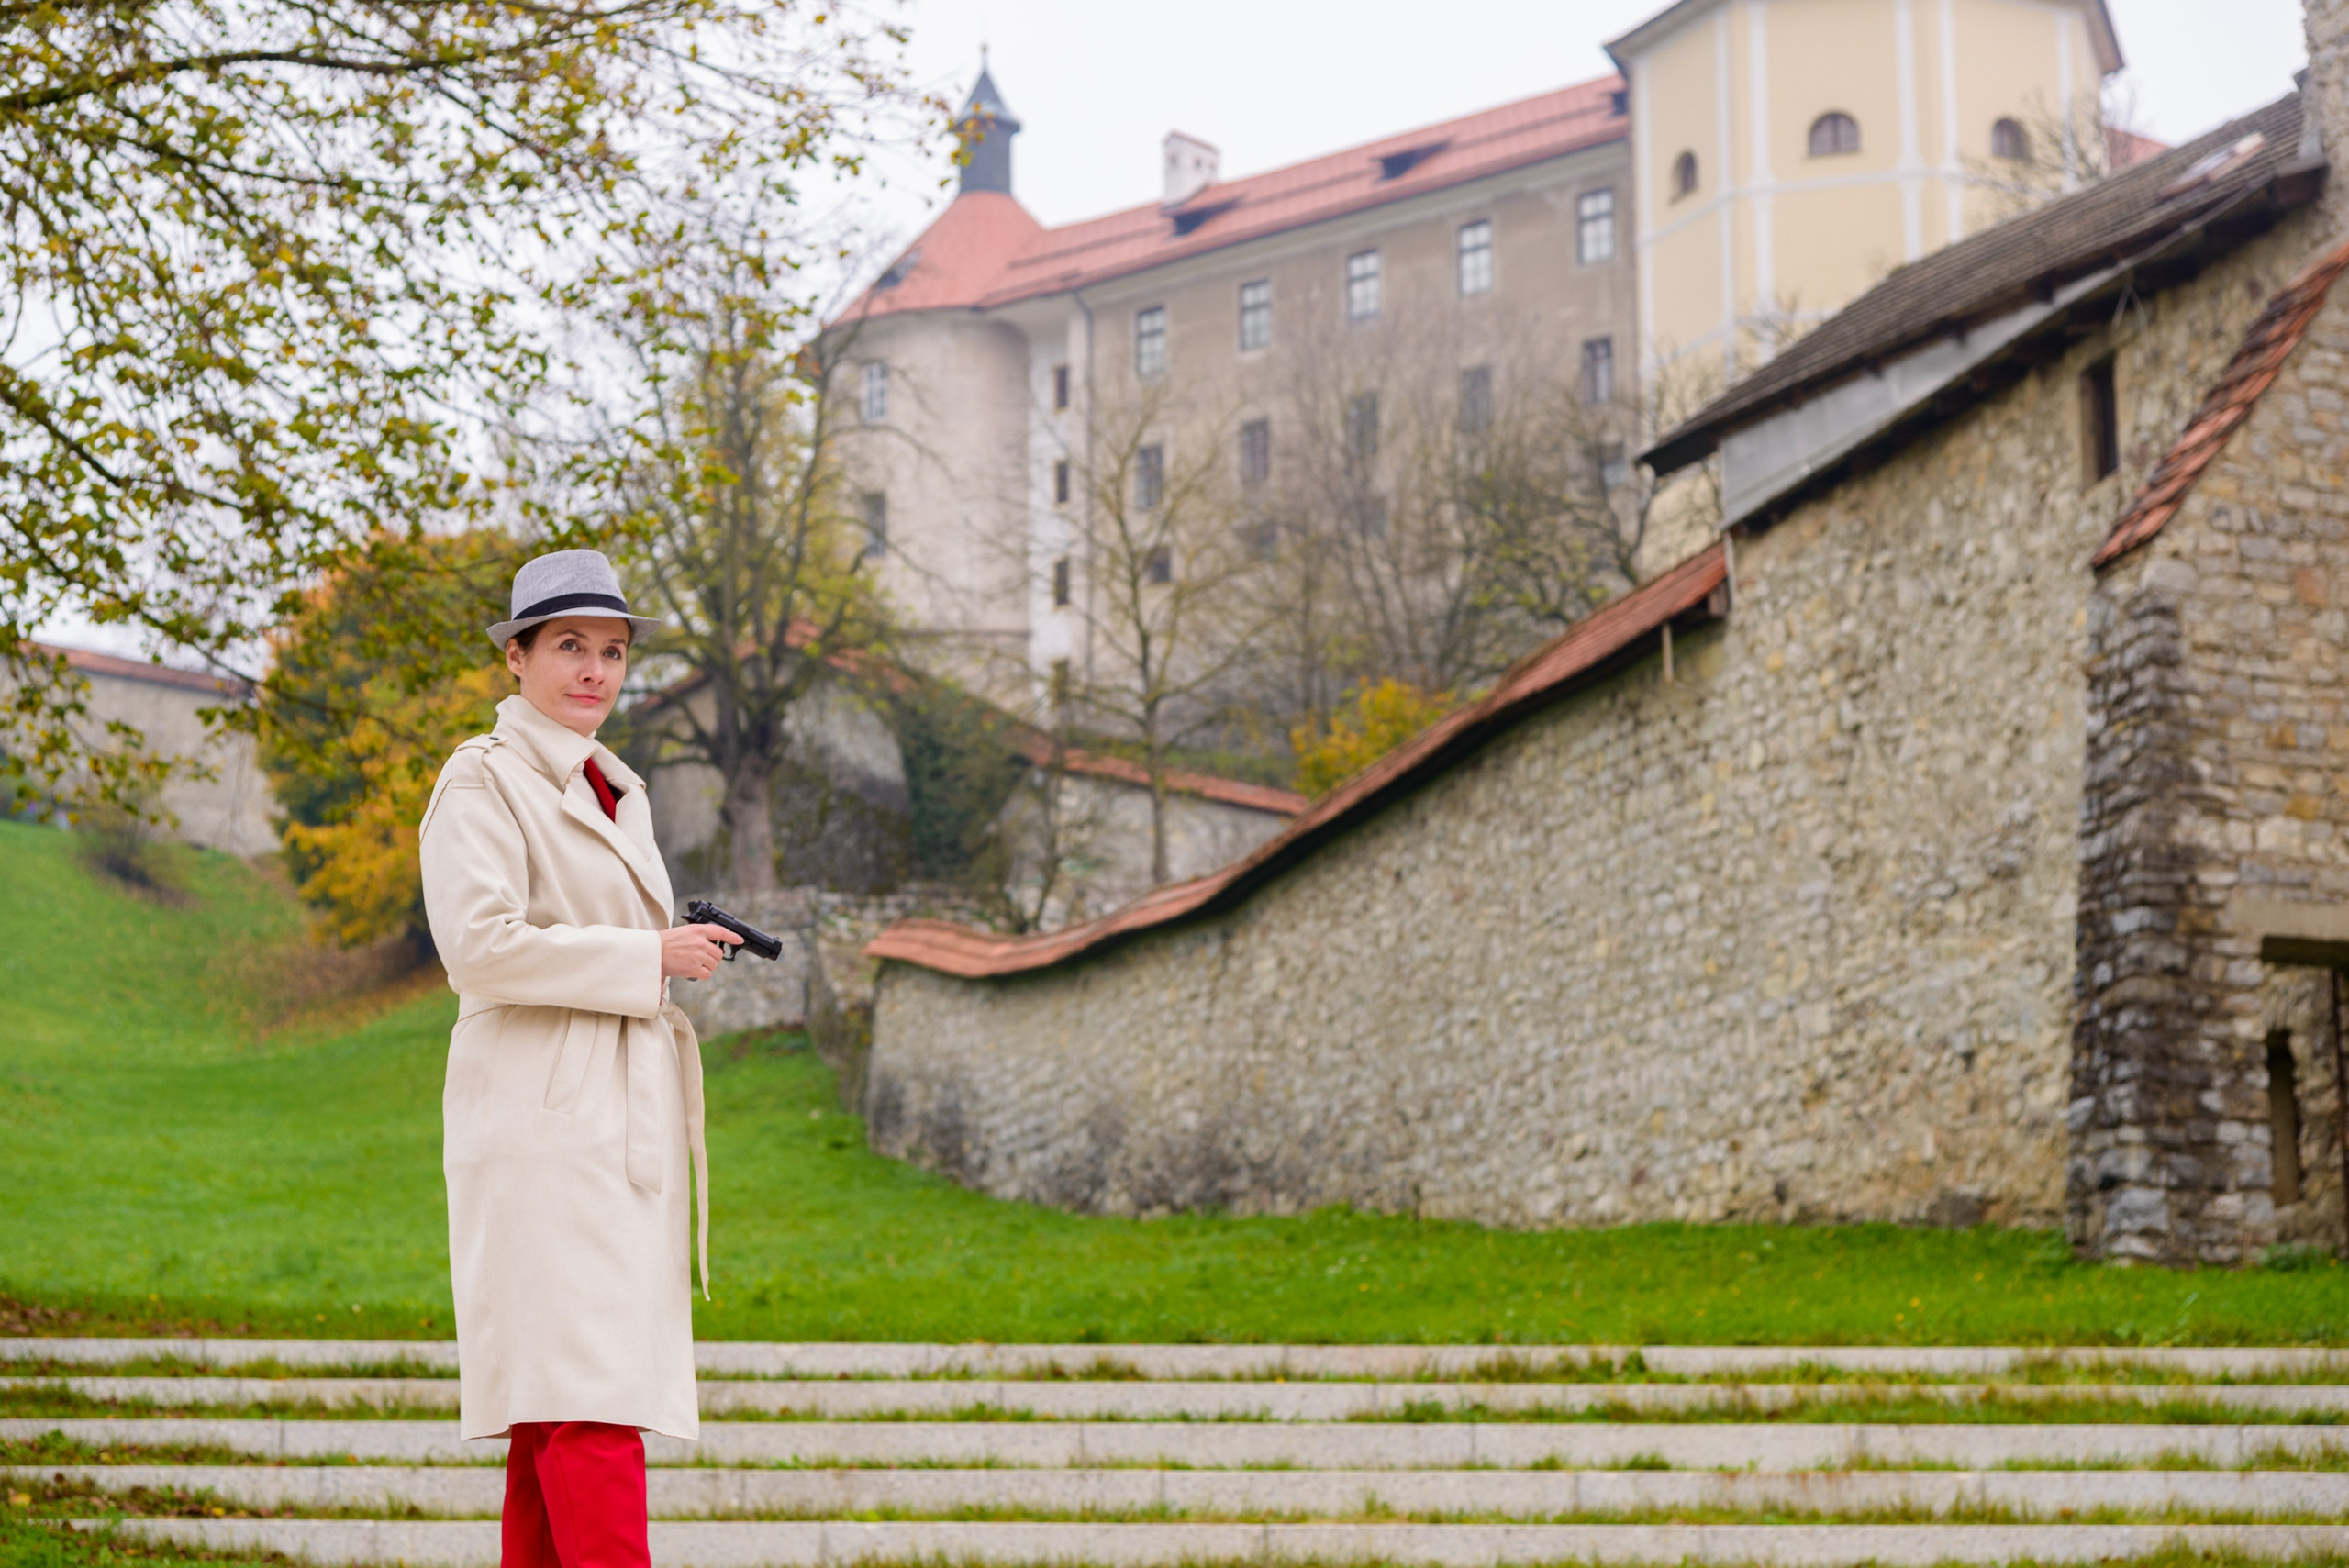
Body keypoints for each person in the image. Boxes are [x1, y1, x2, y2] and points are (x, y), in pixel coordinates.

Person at [418, 549, 740, 1568]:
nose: (594, 669)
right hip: (542, 1127)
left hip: (614, 1123)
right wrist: (649, 954)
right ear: (515, 657)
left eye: (611, 650)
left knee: (557, 1411)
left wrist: (665, 958)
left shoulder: (617, 789)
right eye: (568, 646)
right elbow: (480, 945)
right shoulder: (482, 777)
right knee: (586, 1398)